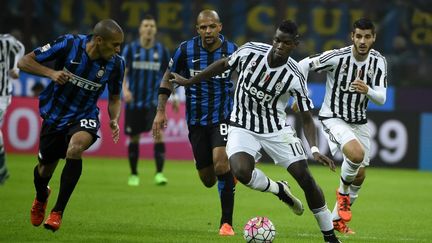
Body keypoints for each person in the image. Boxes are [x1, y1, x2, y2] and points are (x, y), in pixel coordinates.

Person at [168, 20, 341, 243]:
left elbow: (307, 118)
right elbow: (223, 64)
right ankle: (279, 189)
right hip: (242, 125)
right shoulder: (250, 51)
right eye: (277, 40)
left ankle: (330, 237)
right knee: (240, 171)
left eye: (286, 43)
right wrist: (191, 81)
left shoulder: (295, 76)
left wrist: (315, 149)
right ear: (273, 39)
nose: (279, 46)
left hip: (275, 129)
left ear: (295, 44)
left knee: (305, 178)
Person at [17, 19, 125, 232]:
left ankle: (57, 212)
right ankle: (41, 196)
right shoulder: (68, 44)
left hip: (85, 115)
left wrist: (113, 119)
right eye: (115, 45)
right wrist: (51, 73)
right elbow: (23, 62)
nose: (118, 49)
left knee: (75, 149)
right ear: (99, 40)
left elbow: (114, 97)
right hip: (55, 115)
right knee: (44, 170)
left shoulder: (117, 63)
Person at [152, 10, 237, 236]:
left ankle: (226, 223)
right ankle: (229, 175)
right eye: (203, 27)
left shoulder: (233, 51)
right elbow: (168, 77)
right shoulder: (185, 50)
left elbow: (248, 78)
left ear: (220, 27)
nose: (207, 31)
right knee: (208, 180)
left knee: (221, 163)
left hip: (223, 117)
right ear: (197, 29)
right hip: (196, 121)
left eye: (211, 26)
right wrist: (161, 111)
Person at [299, 17, 387, 234]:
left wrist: (368, 90)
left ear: (373, 38)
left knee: (360, 174)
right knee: (356, 155)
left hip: (359, 121)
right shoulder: (337, 57)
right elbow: (303, 65)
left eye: (367, 36)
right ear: (352, 37)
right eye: (359, 36)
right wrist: (299, 96)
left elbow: (381, 98)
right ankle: (343, 193)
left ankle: (336, 220)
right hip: (333, 117)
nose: (363, 41)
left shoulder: (379, 61)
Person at [122, 15, 176, 186]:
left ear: (155, 29)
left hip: (154, 102)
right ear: (140, 29)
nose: (149, 28)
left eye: (152, 25)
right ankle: (133, 174)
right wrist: (124, 90)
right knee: (134, 138)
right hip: (134, 102)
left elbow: (168, 75)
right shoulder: (130, 49)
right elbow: (123, 71)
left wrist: (173, 96)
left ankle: (159, 174)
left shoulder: (161, 50)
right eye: (145, 25)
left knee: (159, 136)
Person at [0, 33, 25, 185]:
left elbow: (14, 72)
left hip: (1, 96)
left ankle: (2, 167)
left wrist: (14, 66)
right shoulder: (9, 41)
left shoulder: (7, 42)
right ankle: (2, 167)